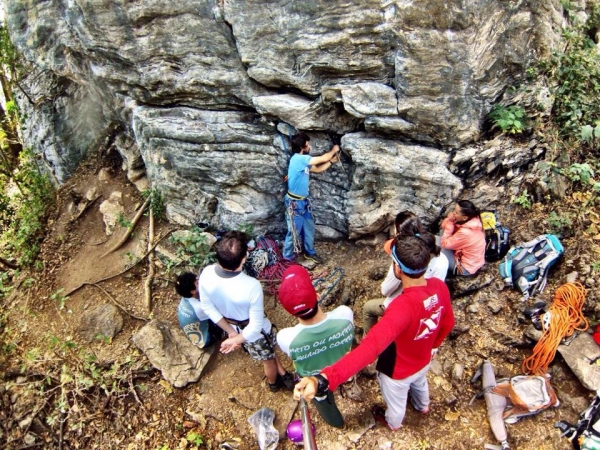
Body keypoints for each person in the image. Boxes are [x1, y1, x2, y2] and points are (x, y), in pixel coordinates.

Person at [293, 234, 455, 430]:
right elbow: (448, 322)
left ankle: (392, 423)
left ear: (398, 268)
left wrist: (324, 378)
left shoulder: (402, 307)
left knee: (396, 403)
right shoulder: (439, 287)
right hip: (424, 358)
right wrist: (434, 346)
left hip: (398, 371)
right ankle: (423, 406)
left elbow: (369, 349)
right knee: (420, 382)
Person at [198, 231, 294, 392]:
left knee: (267, 352)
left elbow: (207, 307)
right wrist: (236, 340)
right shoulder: (251, 285)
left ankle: (283, 373)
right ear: (243, 258)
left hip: (234, 327)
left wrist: (232, 334)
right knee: (267, 359)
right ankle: (273, 384)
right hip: (254, 332)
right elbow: (256, 326)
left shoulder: (207, 273)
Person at [276, 265, 354, 428]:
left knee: (324, 403)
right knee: (346, 376)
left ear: (290, 311)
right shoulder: (344, 314)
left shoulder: (285, 338)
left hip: (315, 381)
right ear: (317, 295)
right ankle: (349, 383)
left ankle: (337, 423)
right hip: (345, 368)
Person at [362, 211, 449, 334]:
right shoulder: (442, 260)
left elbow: (386, 290)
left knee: (368, 308)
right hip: (425, 308)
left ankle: (368, 339)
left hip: (404, 307)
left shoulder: (403, 258)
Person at [283, 132, 340, 264]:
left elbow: (318, 169)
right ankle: (287, 259)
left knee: (309, 228)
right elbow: (322, 158)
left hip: (303, 202)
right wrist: (334, 150)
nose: (309, 146)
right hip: (294, 203)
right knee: (293, 233)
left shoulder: (302, 162)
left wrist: (331, 161)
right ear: (303, 146)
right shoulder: (298, 159)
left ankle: (309, 253)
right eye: (308, 144)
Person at [440, 200, 486, 276]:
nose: (453, 213)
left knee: (433, 244)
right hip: (473, 261)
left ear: (464, 217)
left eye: (456, 212)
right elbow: (443, 227)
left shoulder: (466, 232)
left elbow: (444, 244)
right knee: (442, 233)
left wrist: (450, 222)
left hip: (465, 268)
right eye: (454, 210)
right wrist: (450, 220)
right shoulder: (474, 221)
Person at [175, 272, 221, 348]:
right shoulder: (199, 308)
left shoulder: (186, 297)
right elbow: (219, 312)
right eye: (197, 283)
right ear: (193, 291)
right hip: (206, 340)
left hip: (194, 333)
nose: (199, 282)